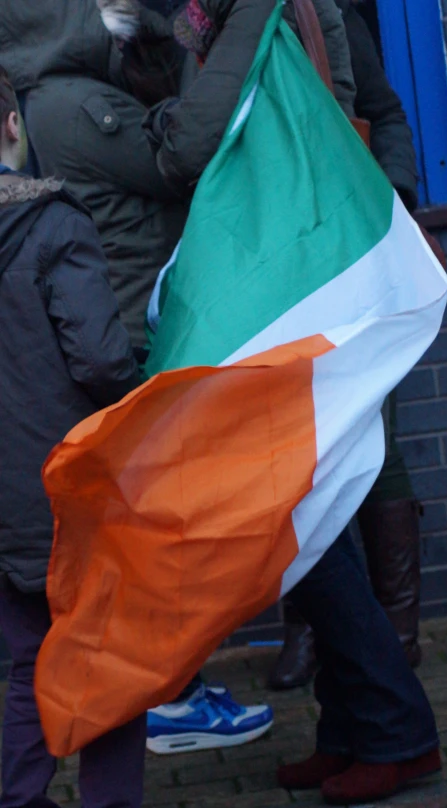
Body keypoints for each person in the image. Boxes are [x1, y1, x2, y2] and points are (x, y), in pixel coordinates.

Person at [141, 0, 442, 803]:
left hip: (296, 273)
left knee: (300, 516)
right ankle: (355, 728)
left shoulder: (268, 9)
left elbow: (218, 142)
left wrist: (394, 207)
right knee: (309, 515)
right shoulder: (225, 21)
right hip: (292, 264)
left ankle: (398, 731)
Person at [0, 0, 274, 754]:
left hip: (88, 354)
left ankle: (162, 696)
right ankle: (168, 699)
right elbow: (178, 154)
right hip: (120, 335)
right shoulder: (74, 105)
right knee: (147, 543)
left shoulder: (49, 102)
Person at [268, 0, 439, 691]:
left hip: (349, 244)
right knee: (290, 442)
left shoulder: (331, 14)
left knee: (373, 428)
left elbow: (386, 113)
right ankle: (310, 625)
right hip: (271, 260)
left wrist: (389, 196)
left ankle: (399, 627)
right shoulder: (205, 25)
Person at [0, 65, 146, 808]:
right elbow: (97, 356)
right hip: (62, 490)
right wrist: (143, 391)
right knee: (109, 661)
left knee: (27, 662)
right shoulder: (52, 223)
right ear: (14, 129)